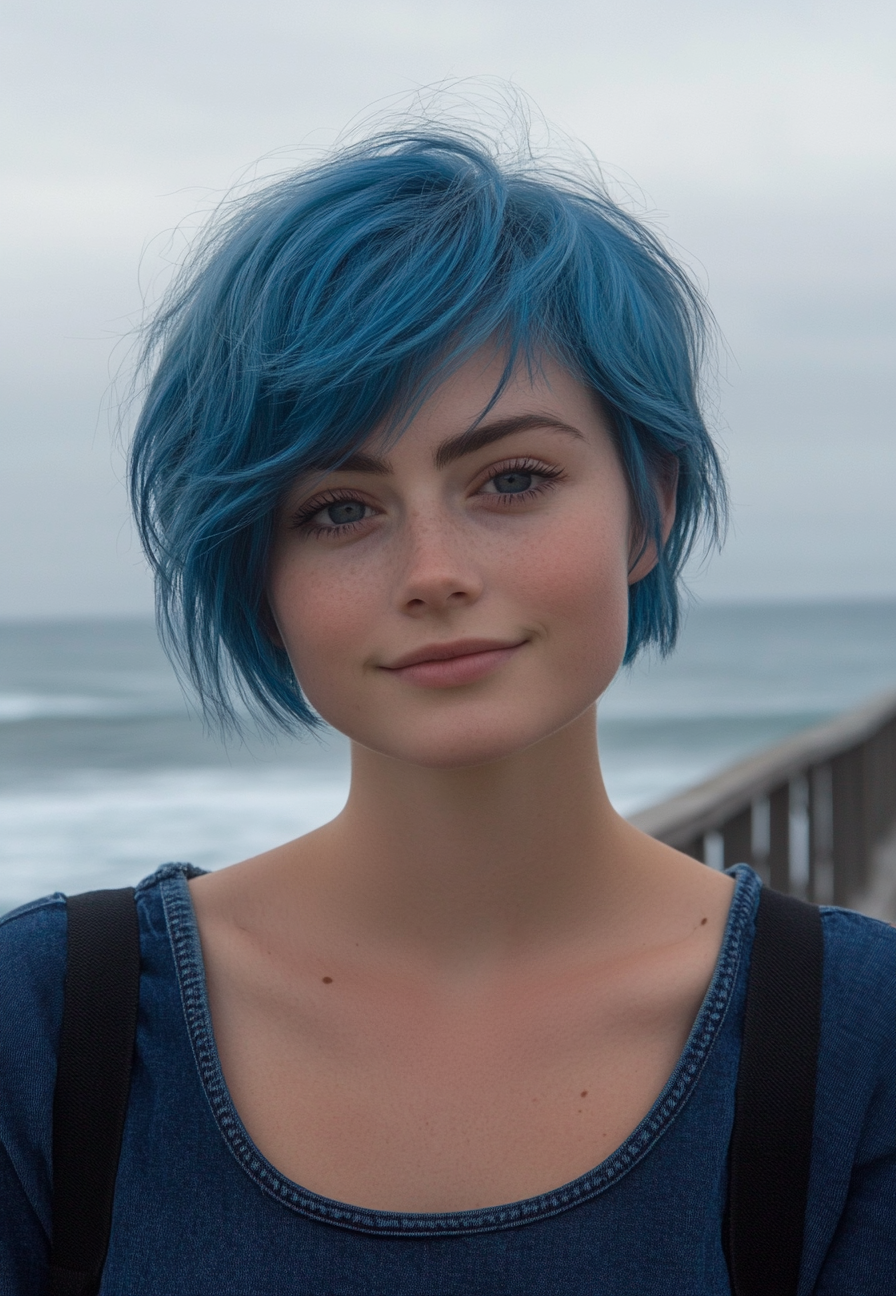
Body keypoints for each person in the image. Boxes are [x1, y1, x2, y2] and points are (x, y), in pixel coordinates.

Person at [1, 122, 893, 1295]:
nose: (432, 569)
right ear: (256, 573)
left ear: (647, 506)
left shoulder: (858, 1042)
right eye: (337, 509)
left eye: (510, 480)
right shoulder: (49, 1025)